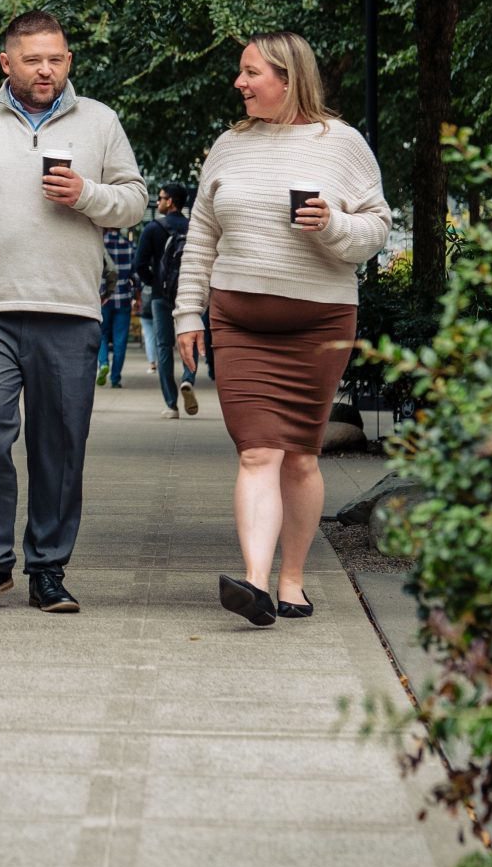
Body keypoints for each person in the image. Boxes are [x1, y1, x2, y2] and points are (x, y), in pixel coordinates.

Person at [0, 10, 148, 614]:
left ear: (68, 60)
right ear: (7, 63)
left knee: (61, 442)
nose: (46, 69)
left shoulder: (101, 121)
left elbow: (133, 202)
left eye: (56, 58)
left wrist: (88, 195)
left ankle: (48, 567)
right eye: (33, 59)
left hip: (71, 309)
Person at [175, 33, 391, 628]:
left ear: (288, 78)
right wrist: (187, 313)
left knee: (299, 456)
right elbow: (201, 237)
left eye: (250, 73)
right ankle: (252, 581)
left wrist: (330, 225)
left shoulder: (342, 144)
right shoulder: (228, 145)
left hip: (318, 323)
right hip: (238, 320)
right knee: (257, 452)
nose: (239, 84)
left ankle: (292, 581)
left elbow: (375, 230)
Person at [134, 183, 193, 416]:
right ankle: (188, 379)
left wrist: (154, 283)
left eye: (160, 198)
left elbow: (139, 264)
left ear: (170, 201)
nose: (157, 202)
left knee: (164, 347)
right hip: (188, 294)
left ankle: (171, 404)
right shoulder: (193, 228)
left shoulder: (152, 228)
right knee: (189, 339)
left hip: (161, 295)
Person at [96, 223, 138, 387]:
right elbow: (135, 275)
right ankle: (115, 379)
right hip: (124, 299)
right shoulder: (129, 246)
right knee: (120, 340)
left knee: (102, 335)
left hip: (102, 298)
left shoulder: (100, 244)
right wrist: (137, 294)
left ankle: (104, 363)